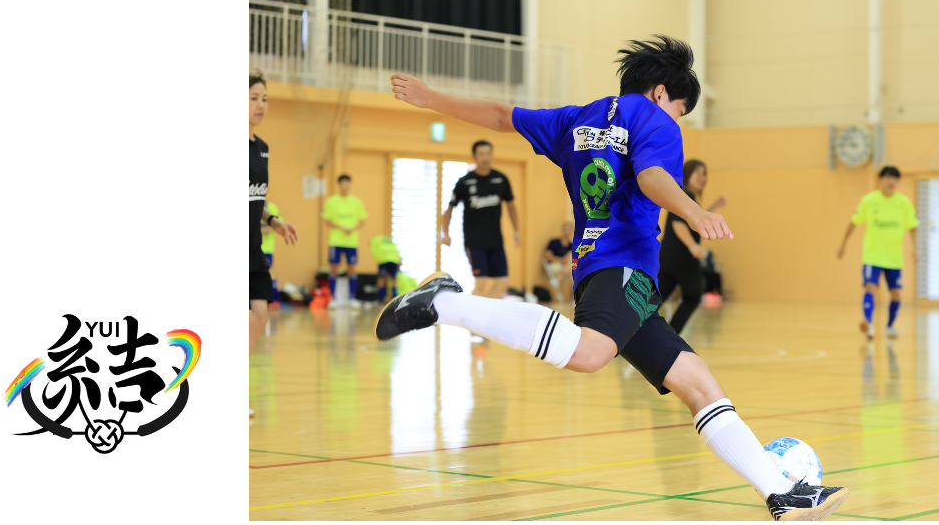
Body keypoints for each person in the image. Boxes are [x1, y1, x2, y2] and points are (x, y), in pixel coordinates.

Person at [377, 35, 848, 521]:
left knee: (700, 386)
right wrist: (693, 211)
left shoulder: (575, 118)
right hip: (625, 263)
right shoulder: (656, 120)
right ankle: (446, 302)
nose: (678, 119)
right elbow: (652, 177)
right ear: (661, 93)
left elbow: (501, 116)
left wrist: (430, 98)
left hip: (600, 268)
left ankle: (781, 492)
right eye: (681, 110)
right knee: (589, 353)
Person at [836, 166, 917, 340]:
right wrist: (843, 244)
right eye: (888, 177)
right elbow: (854, 222)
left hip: (894, 258)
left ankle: (890, 326)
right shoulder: (869, 201)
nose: (891, 181)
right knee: (869, 287)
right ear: (880, 179)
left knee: (896, 294)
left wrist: (915, 250)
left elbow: (912, 227)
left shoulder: (904, 203)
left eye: (895, 178)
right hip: (873, 256)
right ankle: (869, 325)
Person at [250, 72, 298, 332]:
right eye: (253, 98)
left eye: (265, 99)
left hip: (254, 248)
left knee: (260, 317)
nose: (261, 105)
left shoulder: (262, 148)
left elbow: (253, 197)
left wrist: (273, 221)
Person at [441, 140, 520, 297]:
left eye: (488, 153)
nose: (485, 157)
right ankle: (472, 311)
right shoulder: (464, 182)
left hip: (496, 241)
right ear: (474, 157)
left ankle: (487, 310)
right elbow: (449, 209)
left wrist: (517, 230)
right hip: (474, 242)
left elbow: (511, 206)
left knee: (503, 282)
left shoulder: (501, 179)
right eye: (481, 154)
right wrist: (446, 233)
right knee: (481, 282)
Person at [658, 159, 727, 335]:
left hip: (666, 256)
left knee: (655, 299)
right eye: (697, 173)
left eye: (704, 174)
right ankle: (670, 335)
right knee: (693, 296)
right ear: (687, 174)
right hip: (682, 259)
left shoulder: (685, 198)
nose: (702, 177)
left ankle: (629, 333)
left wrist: (713, 207)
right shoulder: (686, 197)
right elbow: (678, 223)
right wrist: (693, 247)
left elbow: (695, 220)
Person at [321, 174, 367, 307]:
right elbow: (327, 220)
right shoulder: (331, 201)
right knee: (333, 268)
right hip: (335, 241)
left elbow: (362, 220)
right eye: (343, 183)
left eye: (348, 183)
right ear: (339, 184)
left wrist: (352, 229)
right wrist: (341, 227)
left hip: (351, 242)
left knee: (351, 268)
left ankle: (352, 298)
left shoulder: (356, 202)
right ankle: (333, 299)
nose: (345, 186)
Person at [543, 220, 574, 304]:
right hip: (555, 264)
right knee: (572, 269)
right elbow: (548, 257)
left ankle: (557, 280)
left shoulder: (572, 245)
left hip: (567, 266)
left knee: (574, 273)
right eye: (566, 229)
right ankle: (558, 280)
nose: (567, 232)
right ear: (562, 230)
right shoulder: (554, 242)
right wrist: (561, 260)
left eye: (569, 230)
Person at [260, 201, 285, 308]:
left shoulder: (271, 207)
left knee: (269, 272)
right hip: (252, 247)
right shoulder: (251, 205)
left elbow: (278, 225)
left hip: (267, 248)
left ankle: (274, 299)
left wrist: (264, 229)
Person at [371, 234, 403, 302]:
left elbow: (372, 245)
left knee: (383, 279)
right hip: (392, 261)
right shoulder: (390, 242)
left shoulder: (378, 240)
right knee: (392, 278)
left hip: (384, 261)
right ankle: (392, 297)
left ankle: (383, 297)